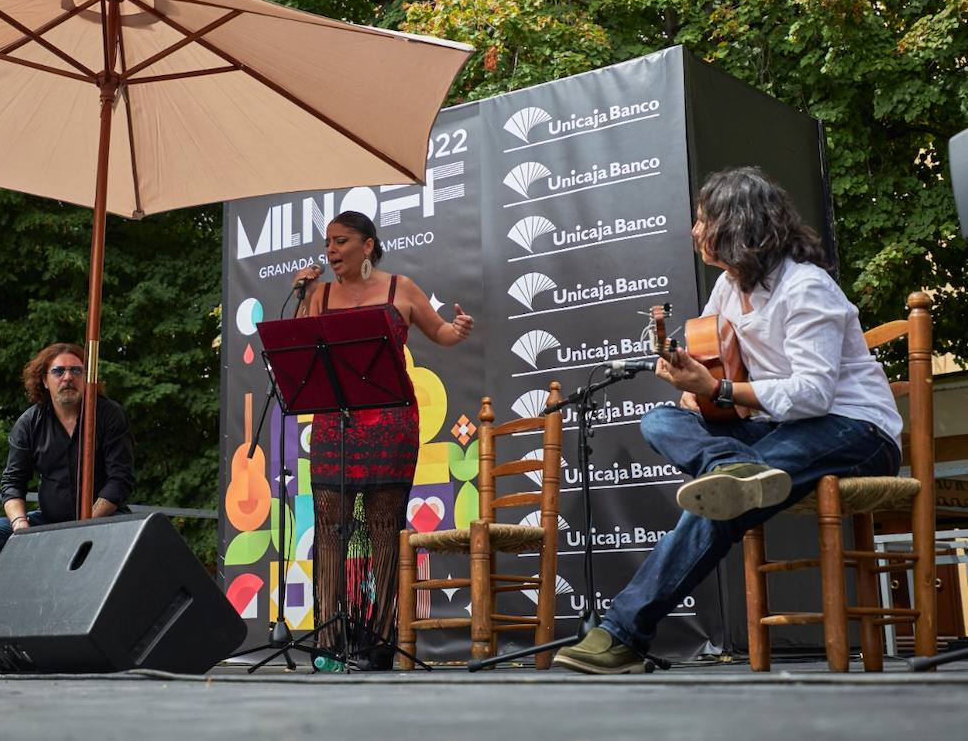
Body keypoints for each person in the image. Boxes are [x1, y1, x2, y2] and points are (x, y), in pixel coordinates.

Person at [554, 167, 903, 674]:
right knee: (659, 420)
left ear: (738, 226)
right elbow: (721, 374)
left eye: (703, 219)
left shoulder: (807, 288)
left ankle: (622, 634)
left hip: (856, 430)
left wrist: (715, 390)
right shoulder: (726, 288)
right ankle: (733, 468)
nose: (694, 231)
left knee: (720, 503)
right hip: (783, 430)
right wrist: (696, 391)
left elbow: (812, 393)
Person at [290, 210, 475, 669]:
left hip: (391, 422)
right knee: (331, 528)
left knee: (381, 528)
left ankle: (379, 638)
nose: (330, 250)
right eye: (327, 242)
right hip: (335, 422)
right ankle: (331, 638)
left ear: (368, 244)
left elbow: (442, 333)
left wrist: (459, 329)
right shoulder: (320, 293)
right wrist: (301, 292)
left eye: (341, 241)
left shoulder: (400, 288)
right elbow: (295, 344)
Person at [0, 342, 135, 595]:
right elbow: (12, 482)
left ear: (87, 378)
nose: (68, 377)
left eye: (76, 371)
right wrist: (20, 525)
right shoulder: (30, 422)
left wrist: (85, 523)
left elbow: (119, 480)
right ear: (44, 380)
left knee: (142, 544)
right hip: (49, 522)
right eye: (59, 371)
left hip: (105, 521)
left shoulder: (108, 415)